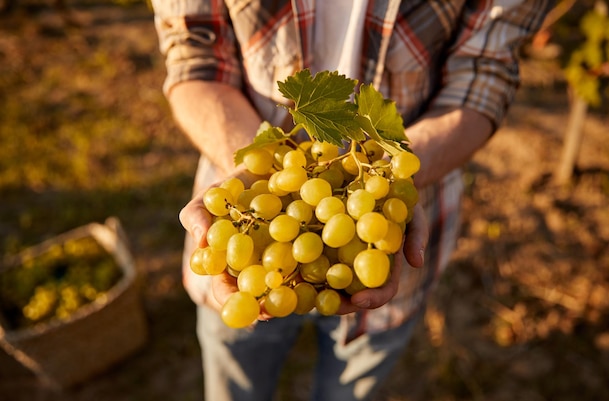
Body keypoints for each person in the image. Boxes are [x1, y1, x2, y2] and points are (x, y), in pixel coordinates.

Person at [151, 1, 553, 400]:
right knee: (234, 377)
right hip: (247, 229)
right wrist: (258, 161)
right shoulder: (249, 219)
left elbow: (485, 76)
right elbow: (193, 53)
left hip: (396, 224)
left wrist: (395, 169)